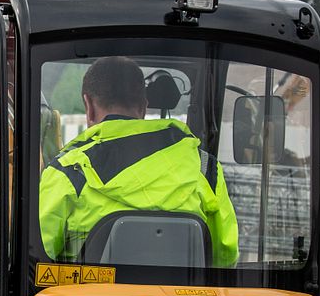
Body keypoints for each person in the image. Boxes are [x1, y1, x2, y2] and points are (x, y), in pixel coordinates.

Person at [39, 56, 238, 266]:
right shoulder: (205, 168)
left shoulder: (68, 171)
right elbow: (225, 255)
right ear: (144, 106)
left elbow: (38, 257)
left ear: (88, 105)